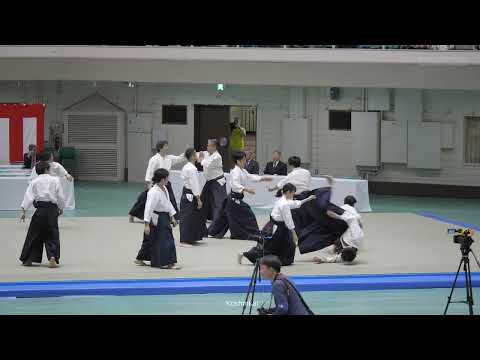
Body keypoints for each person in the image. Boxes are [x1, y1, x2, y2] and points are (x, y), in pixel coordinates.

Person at [239, 183, 315, 266]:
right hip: (277, 229)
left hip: (278, 227)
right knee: (269, 247)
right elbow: (288, 219)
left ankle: (282, 260)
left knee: (287, 245)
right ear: (289, 192)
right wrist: (294, 233)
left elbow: (294, 204)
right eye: (293, 193)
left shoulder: (283, 200)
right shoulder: (284, 204)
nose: (294, 195)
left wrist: (308, 199)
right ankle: (245, 254)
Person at [208, 151, 272, 240]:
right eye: (244, 160)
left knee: (226, 218)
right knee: (248, 215)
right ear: (238, 161)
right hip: (234, 200)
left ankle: (244, 233)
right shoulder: (235, 172)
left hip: (236, 199)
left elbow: (251, 177)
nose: (245, 162)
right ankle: (251, 233)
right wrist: (246, 189)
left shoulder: (242, 171)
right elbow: (234, 184)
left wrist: (263, 178)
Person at [19, 161, 65, 268]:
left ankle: (28, 259)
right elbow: (61, 196)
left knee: (34, 234)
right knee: (52, 234)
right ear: (46, 170)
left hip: (40, 210)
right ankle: (52, 257)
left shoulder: (34, 181)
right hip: (52, 210)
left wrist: (23, 210)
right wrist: (61, 208)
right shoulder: (55, 180)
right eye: (49, 169)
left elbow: (28, 196)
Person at [143, 168, 181, 269]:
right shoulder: (153, 192)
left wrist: (172, 216)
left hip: (165, 216)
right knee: (163, 240)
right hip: (157, 217)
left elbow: (168, 204)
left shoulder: (164, 188)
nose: (168, 180)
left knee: (167, 239)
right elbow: (148, 208)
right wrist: (146, 224)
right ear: (162, 179)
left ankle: (167, 262)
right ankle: (164, 263)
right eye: (167, 178)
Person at [313, 195, 364, 264]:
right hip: (348, 224)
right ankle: (334, 246)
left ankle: (335, 246)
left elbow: (337, 258)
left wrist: (322, 260)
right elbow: (353, 219)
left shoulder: (353, 249)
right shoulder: (354, 237)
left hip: (348, 227)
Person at [144, 140, 186, 219]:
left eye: (167, 146)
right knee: (145, 200)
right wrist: (149, 185)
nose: (167, 148)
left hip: (166, 182)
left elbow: (180, 158)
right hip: (156, 183)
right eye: (165, 146)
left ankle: (175, 217)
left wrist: (187, 152)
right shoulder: (154, 159)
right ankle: (135, 214)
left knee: (171, 199)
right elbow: (149, 172)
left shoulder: (169, 158)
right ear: (160, 148)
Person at [179, 148, 207, 247]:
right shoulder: (191, 168)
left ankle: (191, 238)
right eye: (195, 154)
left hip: (188, 193)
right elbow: (194, 184)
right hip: (190, 194)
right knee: (187, 217)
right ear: (192, 156)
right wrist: (198, 199)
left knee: (193, 217)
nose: (197, 155)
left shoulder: (188, 166)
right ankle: (184, 240)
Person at [199, 139, 227, 226]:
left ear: (214, 147)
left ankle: (218, 223)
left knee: (218, 203)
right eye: (207, 145)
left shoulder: (217, 157)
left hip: (218, 182)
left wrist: (201, 159)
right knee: (203, 199)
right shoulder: (206, 153)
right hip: (209, 181)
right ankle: (201, 219)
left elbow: (207, 164)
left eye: (209, 145)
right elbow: (196, 155)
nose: (207, 147)